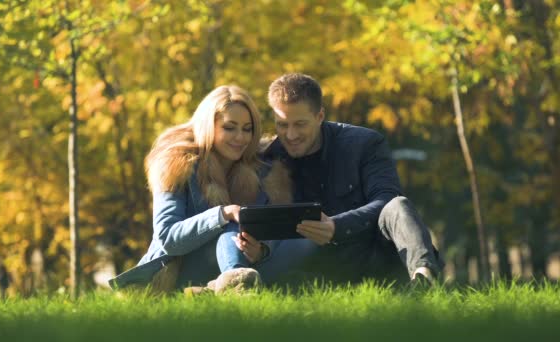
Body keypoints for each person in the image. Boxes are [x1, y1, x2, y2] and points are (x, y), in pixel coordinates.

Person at [262, 73, 444, 285]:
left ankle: (424, 277)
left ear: (320, 116)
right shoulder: (266, 159)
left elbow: (386, 198)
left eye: (300, 124)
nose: (291, 135)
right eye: (282, 125)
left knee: (398, 205)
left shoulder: (364, 144)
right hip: (316, 269)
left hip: (376, 256)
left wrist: (336, 226)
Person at [109, 85, 292, 293]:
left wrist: (261, 249)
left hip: (243, 264)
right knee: (232, 223)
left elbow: (276, 224)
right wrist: (222, 214)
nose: (240, 137)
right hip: (175, 269)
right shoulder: (177, 163)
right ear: (209, 126)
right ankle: (237, 287)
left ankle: (214, 289)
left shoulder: (262, 168)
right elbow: (168, 237)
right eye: (229, 128)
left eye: (247, 129)